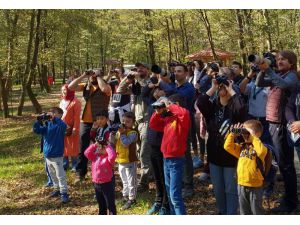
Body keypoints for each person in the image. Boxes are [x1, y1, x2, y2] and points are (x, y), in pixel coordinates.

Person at [197, 76, 247, 215]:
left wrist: (231, 90)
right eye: (221, 86)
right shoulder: (212, 108)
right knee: (218, 188)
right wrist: (213, 86)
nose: (222, 88)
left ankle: (231, 214)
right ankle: (222, 212)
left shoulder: (235, 108)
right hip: (214, 153)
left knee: (230, 188)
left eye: (225, 86)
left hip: (231, 155)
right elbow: (200, 102)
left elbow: (242, 109)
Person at [256, 50, 299, 213]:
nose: (279, 61)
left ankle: (291, 201)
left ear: (292, 62)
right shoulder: (278, 74)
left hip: (281, 123)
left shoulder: (291, 76)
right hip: (273, 122)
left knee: (286, 164)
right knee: (283, 163)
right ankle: (290, 197)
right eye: (278, 59)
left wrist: (269, 69)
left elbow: (283, 85)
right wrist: (261, 69)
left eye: (283, 59)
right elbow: (260, 83)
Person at [149, 94, 190, 215]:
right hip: (166, 159)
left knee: (175, 195)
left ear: (176, 105)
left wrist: (169, 104)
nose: (167, 107)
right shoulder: (168, 118)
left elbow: (184, 113)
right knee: (169, 192)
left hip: (176, 160)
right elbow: (153, 125)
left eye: (170, 104)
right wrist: (157, 111)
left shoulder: (182, 119)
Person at [68, 69, 112, 182]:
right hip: (86, 121)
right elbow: (71, 87)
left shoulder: (106, 86)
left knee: (102, 146)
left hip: (100, 122)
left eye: (95, 75)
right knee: (82, 147)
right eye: (92, 75)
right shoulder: (86, 86)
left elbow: (104, 89)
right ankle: (80, 173)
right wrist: (83, 75)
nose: (92, 77)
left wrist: (97, 76)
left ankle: (104, 171)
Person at [224, 120, 268, 215]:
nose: (244, 134)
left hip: (255, 185)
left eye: (247, 132)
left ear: (257, 134)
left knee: (257, 211)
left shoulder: (260, 147)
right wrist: (233, 134)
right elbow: (227, 146)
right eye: (244, 132)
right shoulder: (241, 147)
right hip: (241, 184)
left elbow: (261, 152)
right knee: (244, 212)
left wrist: (253, 137)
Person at [33, 107, 69, 203]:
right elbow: (37, 130)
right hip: (47, 155)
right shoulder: (47, 125)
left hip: (57, 155)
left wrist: (55, 119)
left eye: (54, 112)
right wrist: (38, 121)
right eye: (50, 112)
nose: (51, 114)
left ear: (60, 115)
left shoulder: (60, 125)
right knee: (52, 174)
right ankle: (56, 189)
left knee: (60, 175)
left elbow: (64, 126)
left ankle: (64, 193)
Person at [174, 63, 195, 198]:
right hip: (173, 124)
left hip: (185, 124)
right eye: (175, 71)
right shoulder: (174, 86)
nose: (176, 73)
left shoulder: (189, 88)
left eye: (179, 71)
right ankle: (179, 181)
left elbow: (177, 97)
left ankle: (188, 184)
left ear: (186, 73)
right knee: (176, 152)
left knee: (185, 153)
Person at [84, 132, 117, 215]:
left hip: (107, 184)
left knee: (110, 205)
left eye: (101, 147)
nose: (99, 149)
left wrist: (107, 146)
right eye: (98, 147)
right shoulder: (95, 156)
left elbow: (112, 156)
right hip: (97, 184)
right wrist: (95, 145)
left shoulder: (109, 159)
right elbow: (86, 153)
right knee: (101, 205)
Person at [115, 111, 139, 210]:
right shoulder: (121, 131)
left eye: (128, 122)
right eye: (123, 121)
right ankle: (125, 196)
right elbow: (114, 141)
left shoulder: (133, 133)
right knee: (124, 180)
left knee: (131, 182)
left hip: (130, 161)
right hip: (121, 160)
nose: (125, 123)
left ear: (133, 123)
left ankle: (132, 199)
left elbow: (126, 143)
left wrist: (122, 133)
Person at [59, 84, 81, 172]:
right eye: (62, 90)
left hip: (71, 127)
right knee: (64, 145)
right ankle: (65, 164)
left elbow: (76, 117)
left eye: (65, 90)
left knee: (73, 146)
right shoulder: (62, 101)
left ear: (70, 90)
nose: (63, 92)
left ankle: (75, 164)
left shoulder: (76, 102)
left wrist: (75, 128)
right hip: (62, 127)